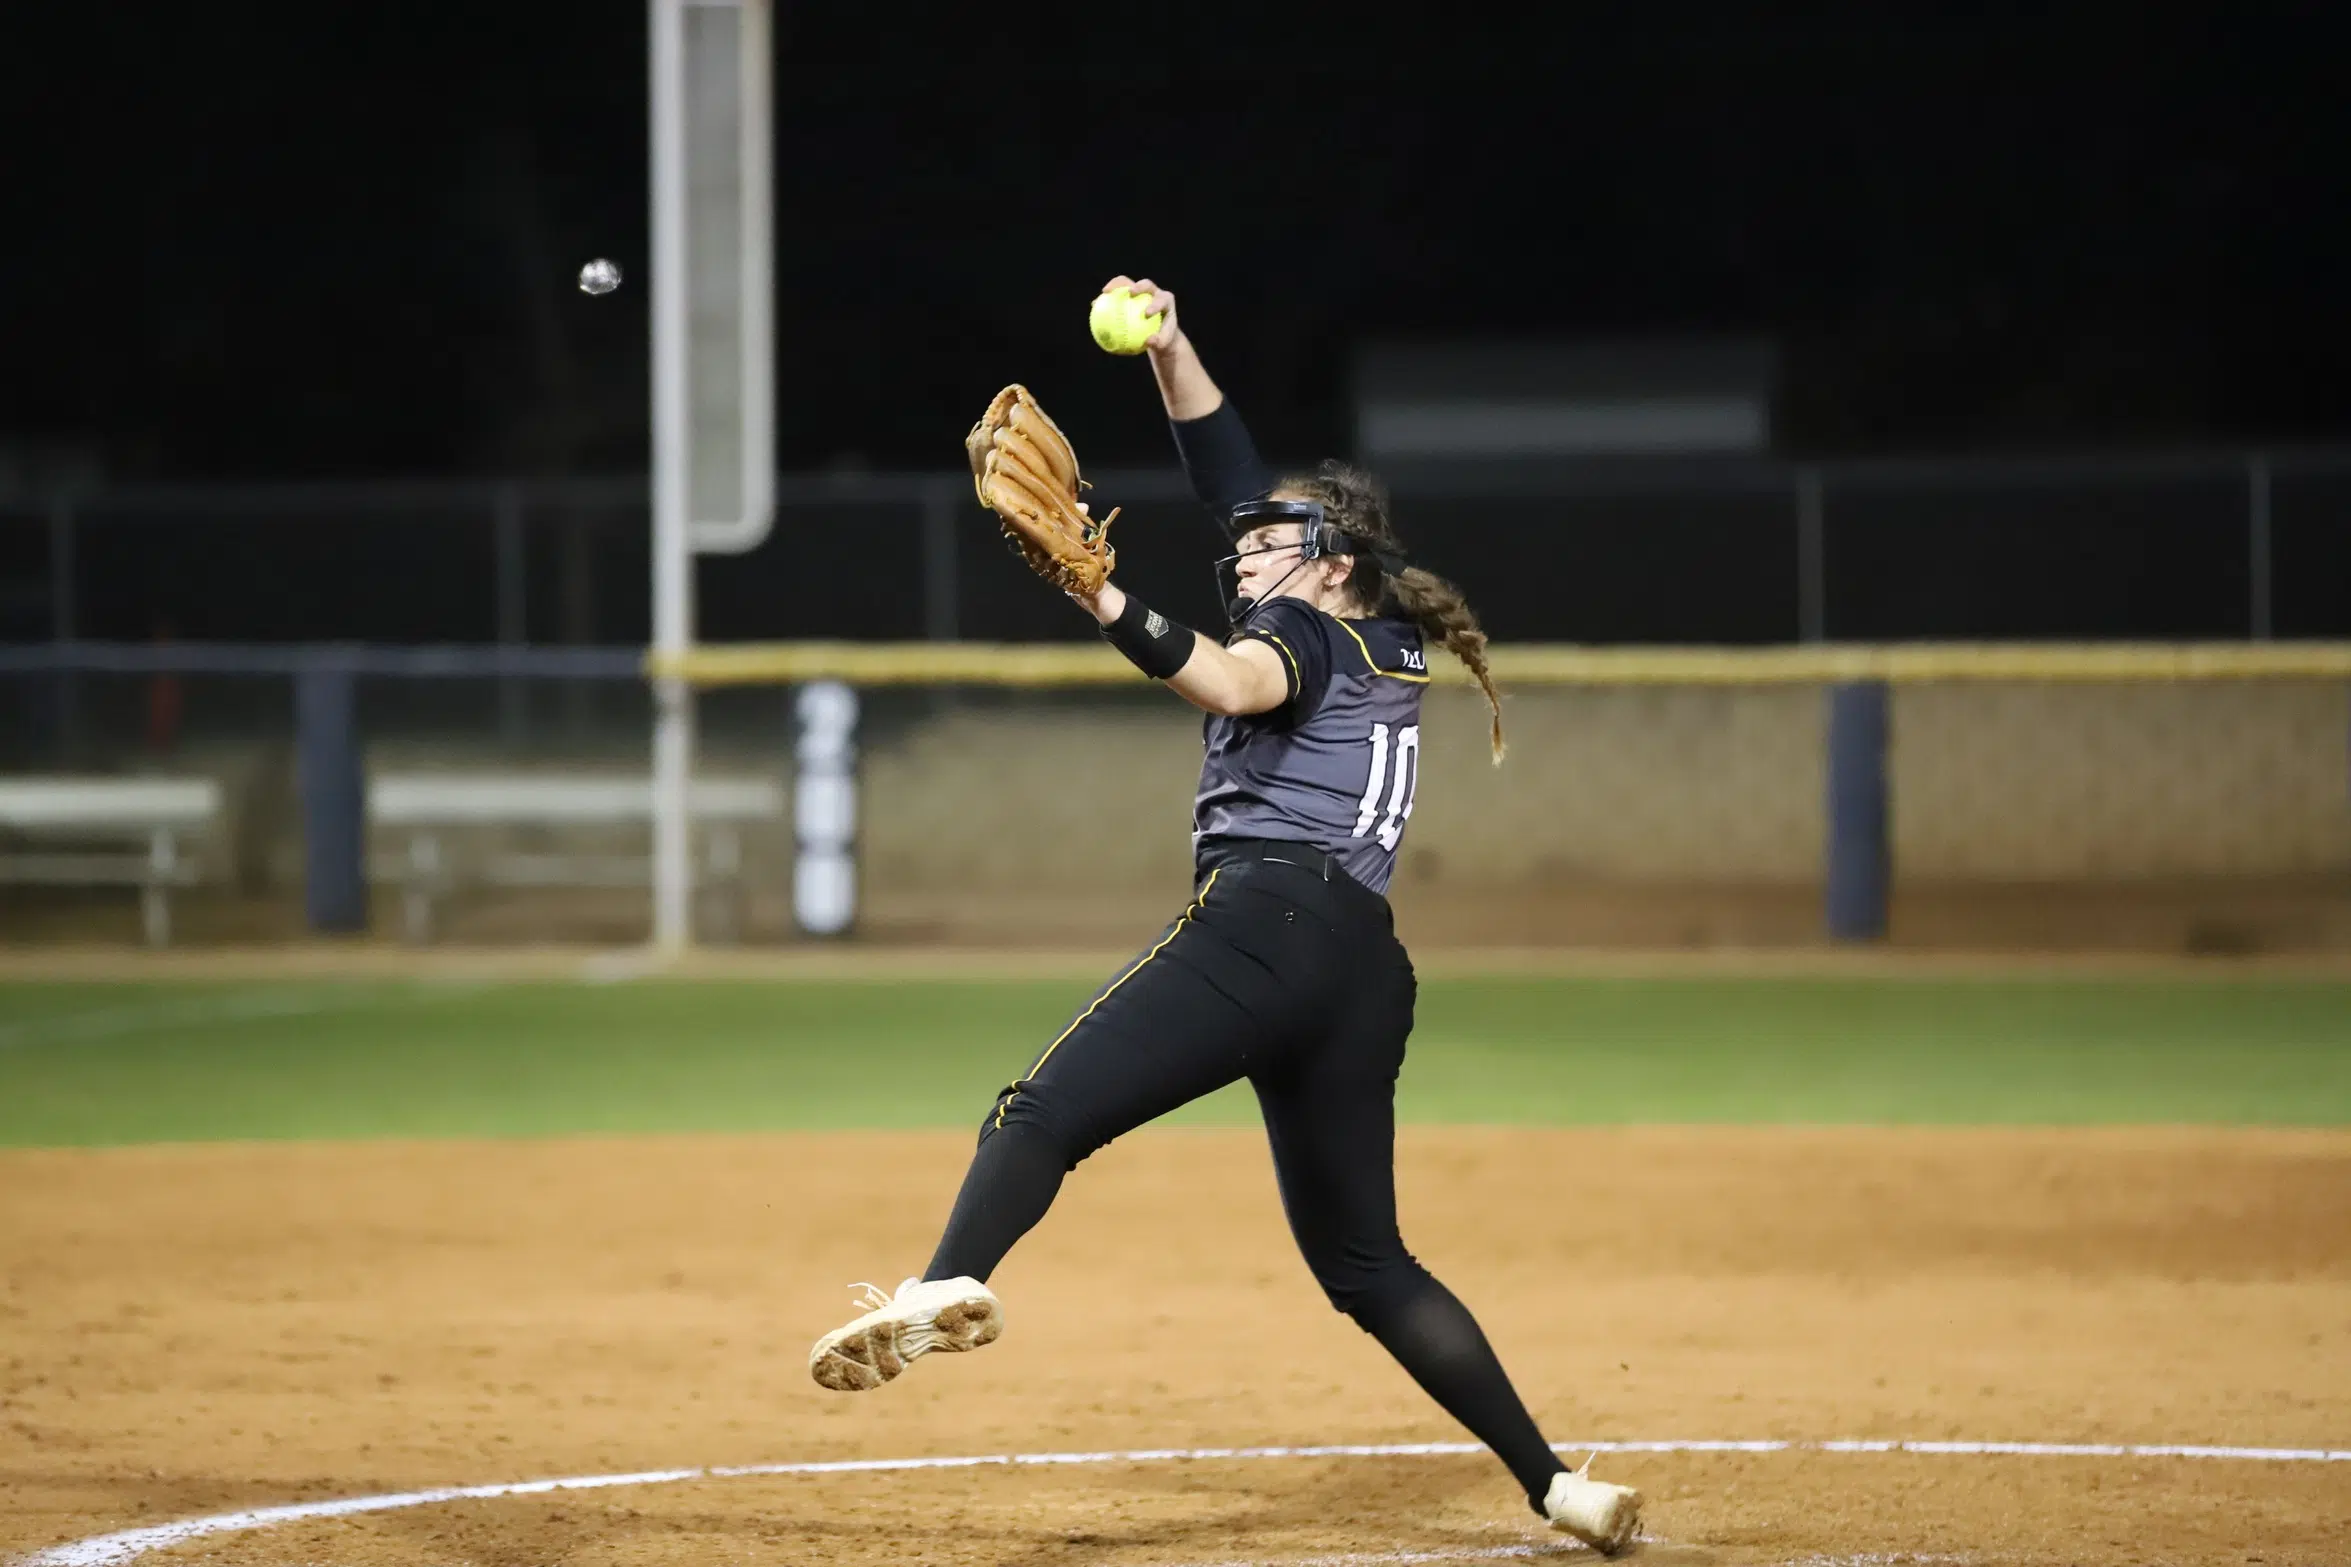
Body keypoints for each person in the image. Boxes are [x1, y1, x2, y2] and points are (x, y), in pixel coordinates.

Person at [807, 277, 1643, 1553]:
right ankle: (1558, 1485)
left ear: (1336, 560)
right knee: (1367, 1268)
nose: (1245, 551)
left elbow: (1232, 678)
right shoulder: (1382, 643)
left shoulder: (1301, 633)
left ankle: (946, 1282)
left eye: (1269, 544)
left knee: (1037, 1112)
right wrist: (1173, 345)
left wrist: (1102, 602)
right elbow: (1234, 474)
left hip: (1266, 926)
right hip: (1363, 968)